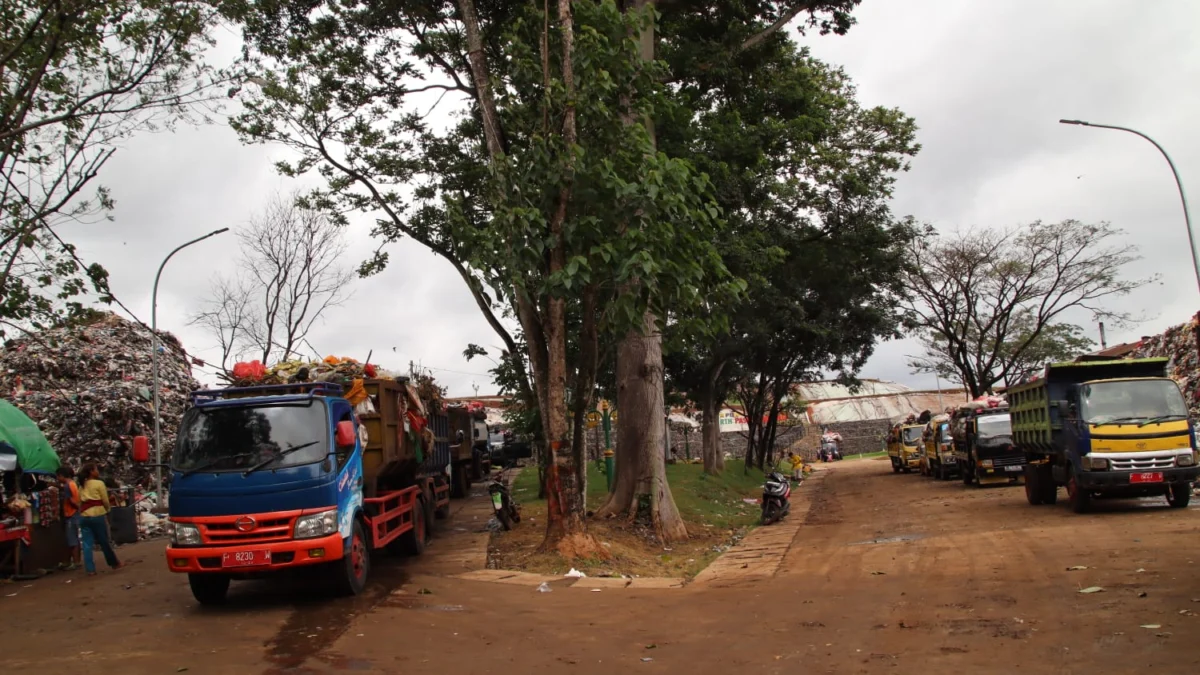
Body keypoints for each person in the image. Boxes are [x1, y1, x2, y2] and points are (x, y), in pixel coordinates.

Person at [77, 463, 122, 576]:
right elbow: (105, 500)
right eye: (96, 469)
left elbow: (79, 502)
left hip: (84, 516)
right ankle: (114, 563)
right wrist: (107, 510)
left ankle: (90, 570)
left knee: (87, 544)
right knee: (104, 541)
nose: (98, 471)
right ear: (91, 471)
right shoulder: (99, 483)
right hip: (97, 515)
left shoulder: (81, 485)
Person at [56, 466, 82, 570]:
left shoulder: (67, 486)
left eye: (58, 476)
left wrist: (77, 508)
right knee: (74, 538)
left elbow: (71, 500)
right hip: (75, 514)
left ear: (62, 476)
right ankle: (76, 561)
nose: (58, 478)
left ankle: (75, 562)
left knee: (72, 540)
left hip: (71, 514)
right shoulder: (73, 484)